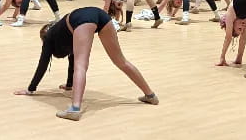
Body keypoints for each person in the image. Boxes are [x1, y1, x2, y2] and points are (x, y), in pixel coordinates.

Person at [13, 7, 159, 121]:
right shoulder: (62, 33)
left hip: (81, 19)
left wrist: (31, 89)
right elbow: (71, 57)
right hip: (101, 16)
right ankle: (150, 95)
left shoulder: (49, 38)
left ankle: (74, 109)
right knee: (121, 61)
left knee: (81, 65)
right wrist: (69, 85)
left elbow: (42, 64)